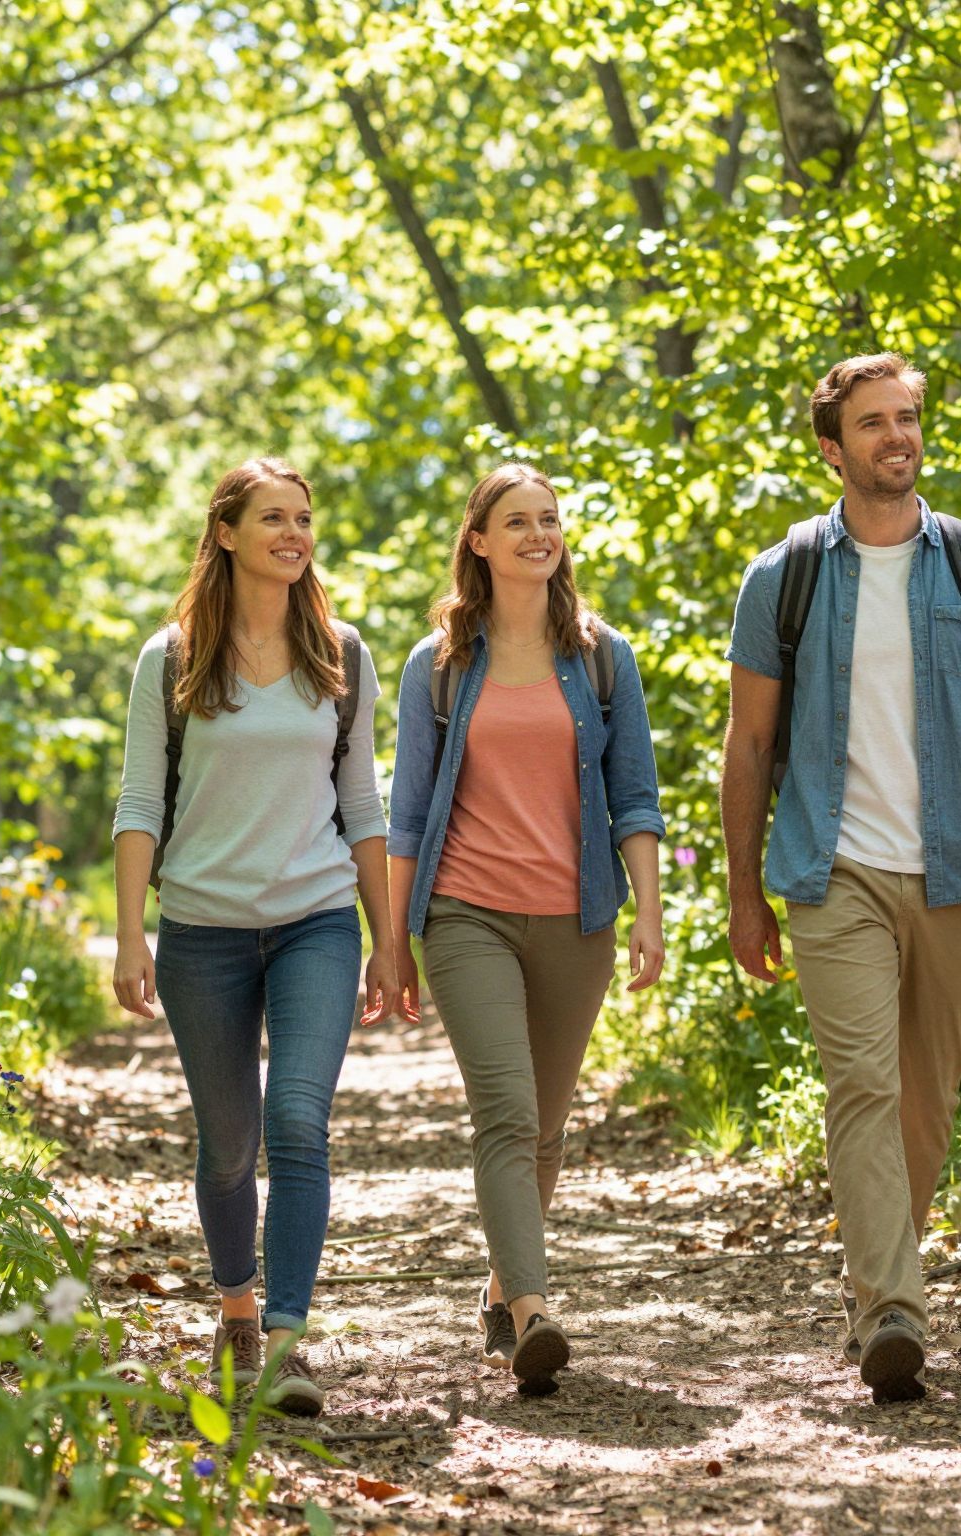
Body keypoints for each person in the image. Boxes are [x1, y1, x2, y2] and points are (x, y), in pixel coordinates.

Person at [719, 353, 961, 1402]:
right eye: (871, 423)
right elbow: (747, 741)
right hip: (832, 869)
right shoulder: (785, 577)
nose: (895, 437)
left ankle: (877, 1280)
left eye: (906, 418)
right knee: (861, 1086)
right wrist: (740, 891)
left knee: (924, 1103)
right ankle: (892, 1313)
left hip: (954, 866)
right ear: (831, 447)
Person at [111, 457, 406, 1418]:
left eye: (304, 519)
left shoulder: (341, 653)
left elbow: (363, 804)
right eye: (272, 518)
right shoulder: (174, 657)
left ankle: (285, 1338)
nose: (293, 534)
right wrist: (128, 935)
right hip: (202, 930)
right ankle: (234, 1306)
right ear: (226, 532)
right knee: (230, 1144)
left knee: (298, 1126)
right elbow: (142, 801)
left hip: (316, 922)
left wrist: (386, 938)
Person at [386, 464, 665, 1397]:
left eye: (548, 520)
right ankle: (538, 1309)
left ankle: (503, 1287)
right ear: (479, 541)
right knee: (504, 1114)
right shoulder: (440, 665)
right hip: (466, 913)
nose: (538, 535)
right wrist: (392, 939)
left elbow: (635, 798)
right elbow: (409, 813)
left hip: (576, 915)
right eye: (517, 522)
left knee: (544, 1129)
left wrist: (649, 916)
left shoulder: (598, 656)